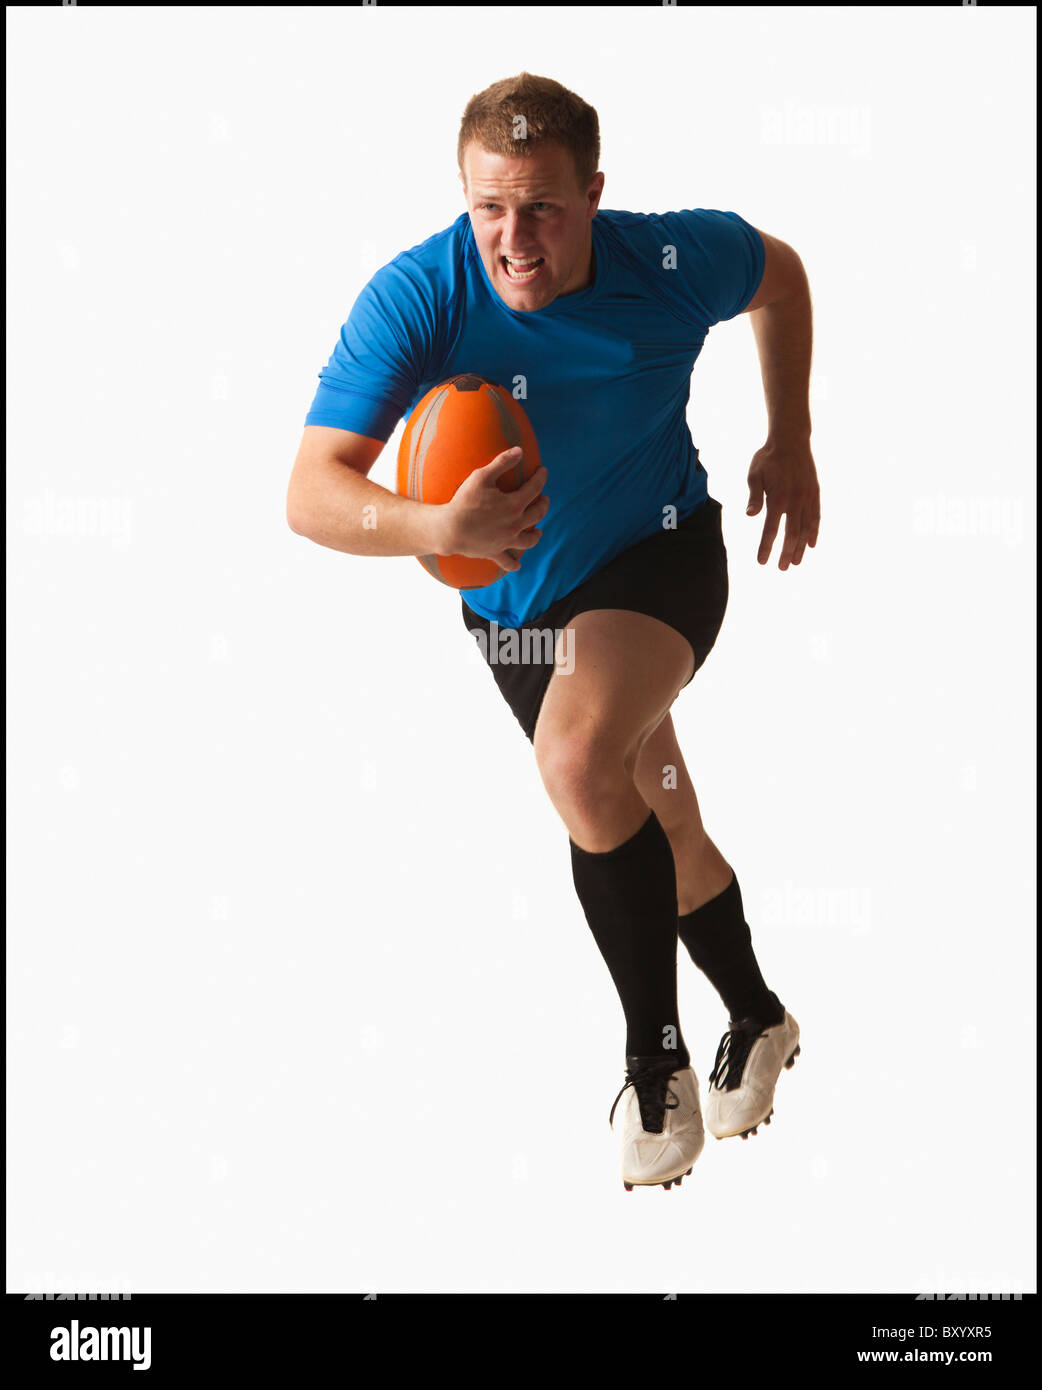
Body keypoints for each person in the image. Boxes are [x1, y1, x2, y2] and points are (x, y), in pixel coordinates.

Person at [287, 72, 819, 1191]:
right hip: (515, 611)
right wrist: (436, 522)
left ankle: (652, 1061)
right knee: (652, 818)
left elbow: (783, 275)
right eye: (488, 207)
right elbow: (311, 492)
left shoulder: (672, 261)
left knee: (578, 760)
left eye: (542, 208)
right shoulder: (418, 293)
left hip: (658, 553)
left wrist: (790, 437)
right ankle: (760, 1016)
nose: (512, 238)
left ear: (594, 194)